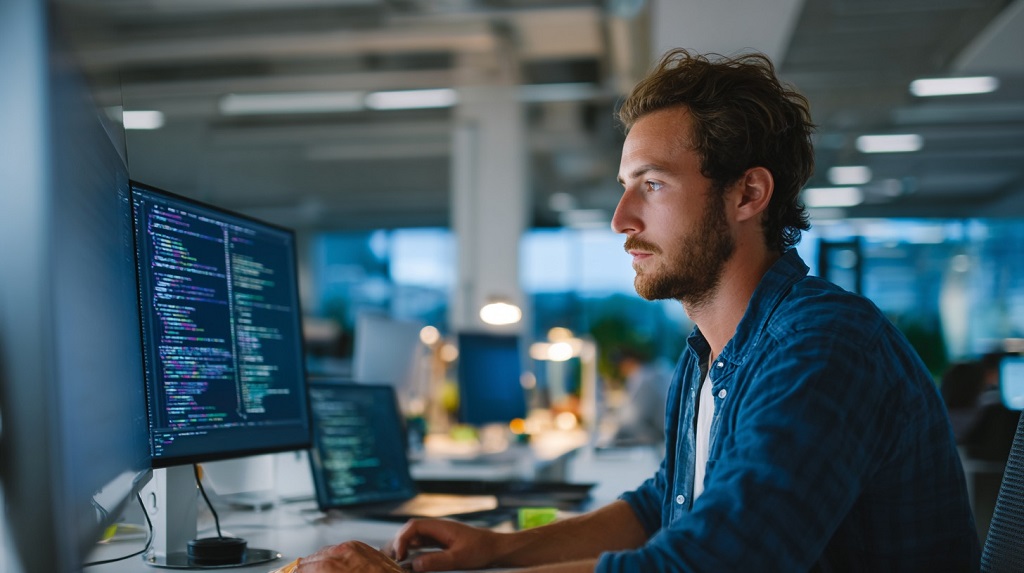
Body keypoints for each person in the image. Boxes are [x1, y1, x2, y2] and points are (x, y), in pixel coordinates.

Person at [294, 49, 980, 572]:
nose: (622, 219)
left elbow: (713, 562)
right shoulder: (711, 350)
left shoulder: (824, 344)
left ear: (748, 195)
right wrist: (497, 550)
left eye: (651, 186)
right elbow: (664, 504)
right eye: (626, 188)